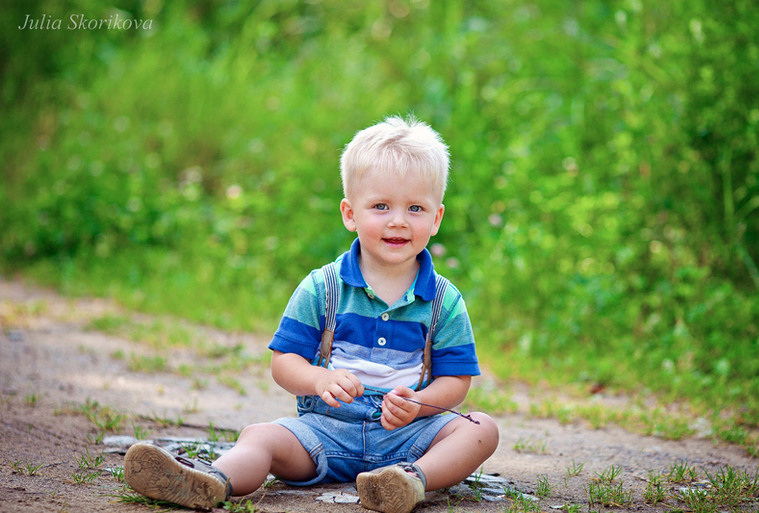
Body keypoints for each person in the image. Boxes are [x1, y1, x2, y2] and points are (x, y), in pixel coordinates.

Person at [124, 115, 499, 513]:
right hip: (324, 432)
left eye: (416, 208)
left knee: (481, 430)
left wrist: (420, 404)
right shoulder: (323, 288)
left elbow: (456, 380)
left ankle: (408, 482)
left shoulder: (444, 299)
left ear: (436, 218)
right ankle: (209, 480)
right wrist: (320, 378)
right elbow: (284, 362)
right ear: (349, 213)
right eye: (381, 206)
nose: (398, 220)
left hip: (408, 437)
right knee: (260, 436)